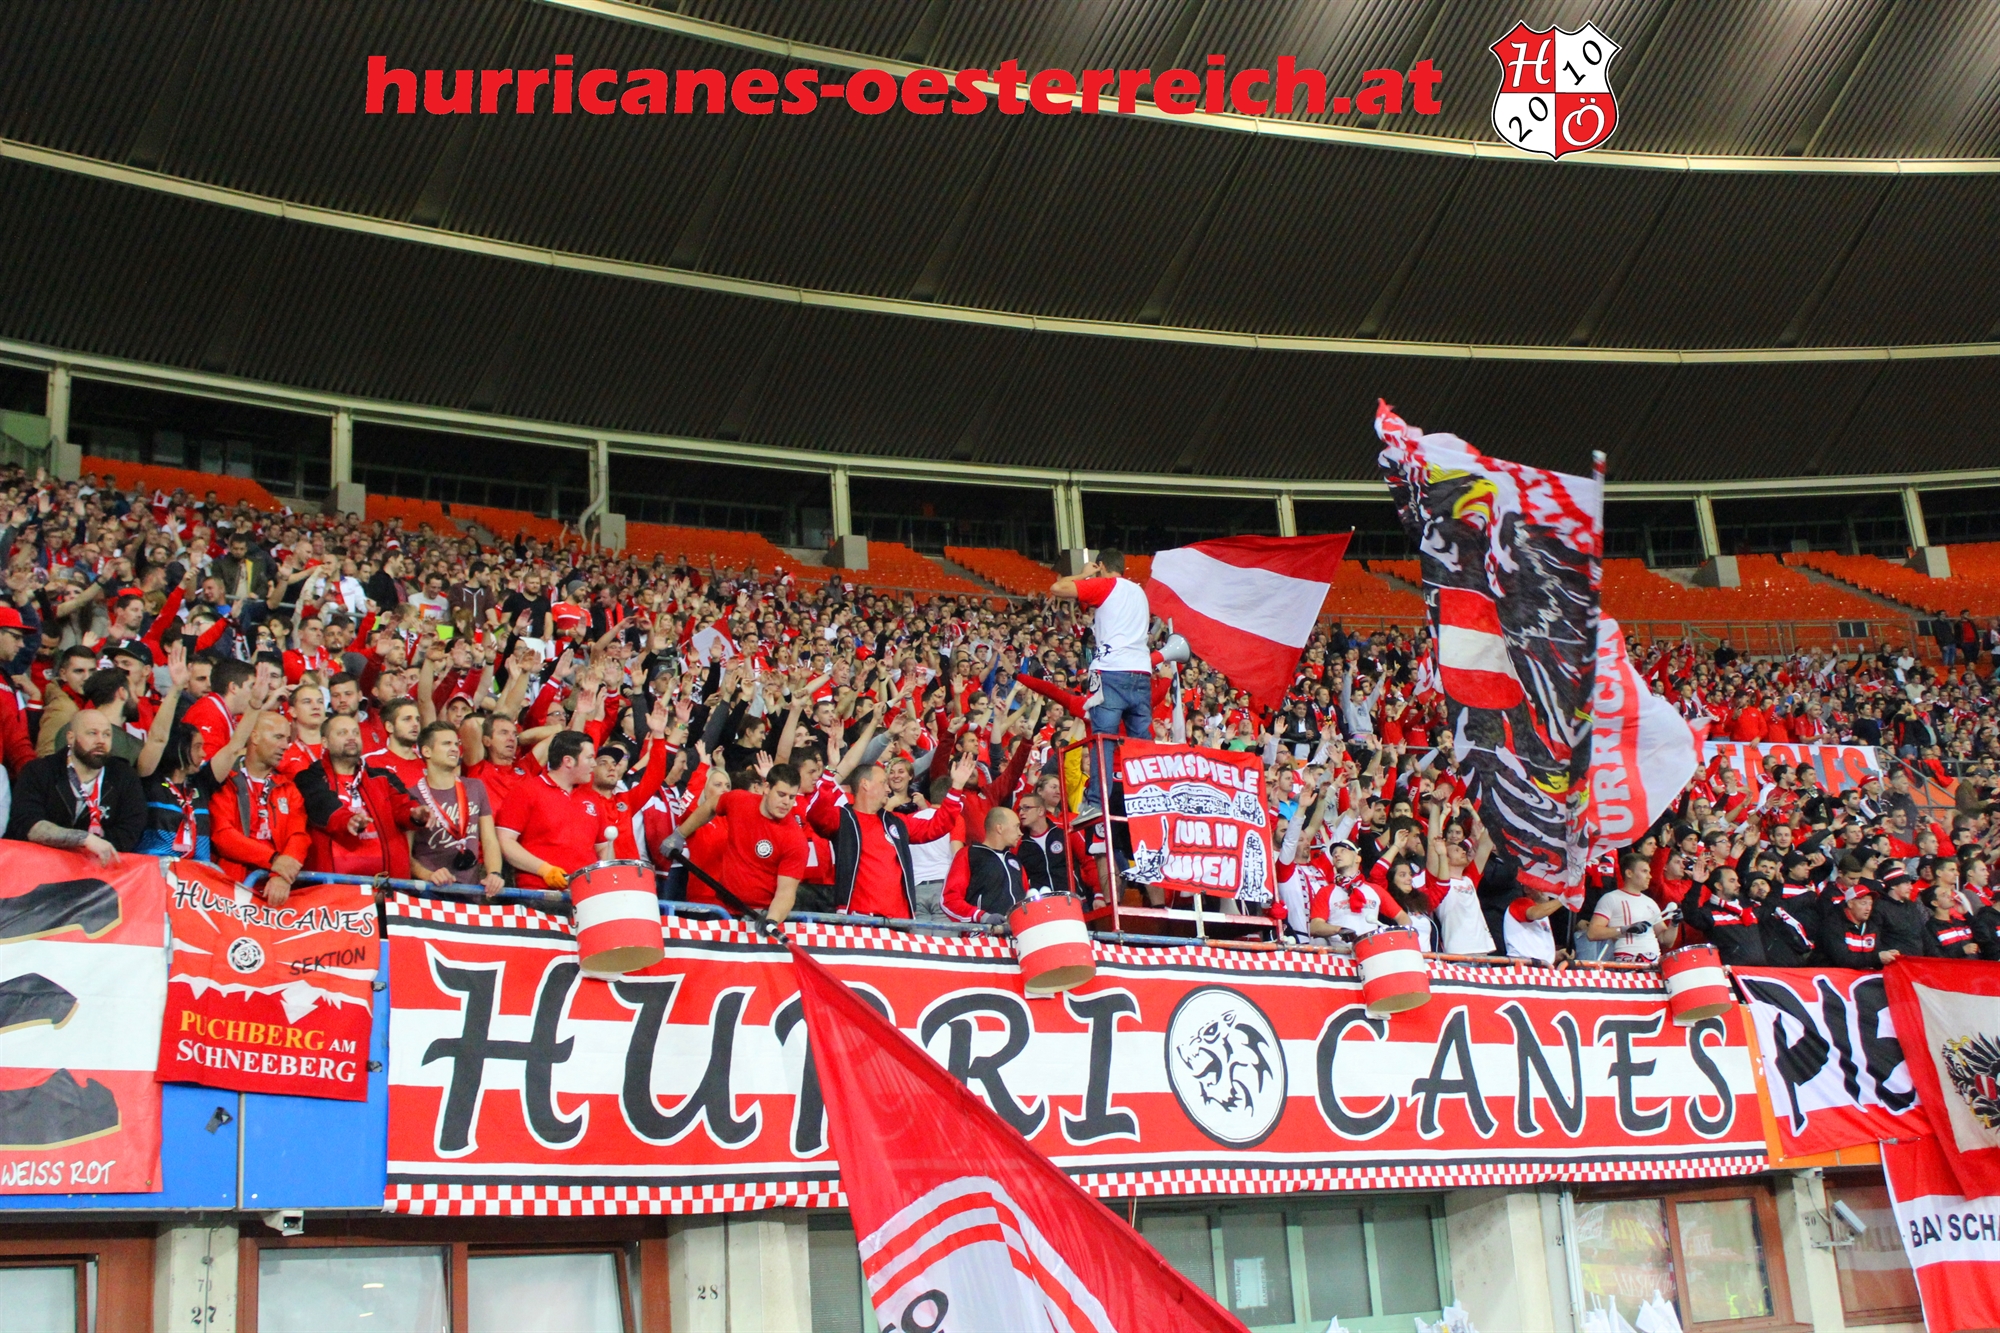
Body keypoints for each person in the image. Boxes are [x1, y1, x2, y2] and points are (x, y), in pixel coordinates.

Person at [813, 756, 972, 918]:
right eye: (883, 782)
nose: (888, 789)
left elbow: (938, 825)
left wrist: (957, 787)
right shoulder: (844, 819)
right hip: (858, 918)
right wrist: (829, 771)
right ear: (865, 784)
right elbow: (816, 814)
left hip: (899, 922)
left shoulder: (895, 822)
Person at [7, 709, 147, 863]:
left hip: (98, 867)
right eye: (92, 733)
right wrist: (83, 840)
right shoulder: (38, 771)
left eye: (107, 734)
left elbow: (130, 830)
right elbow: (28, 825)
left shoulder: (125, 776)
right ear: (71, 738)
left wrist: (85, 855)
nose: (101, 740)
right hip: (38, 864)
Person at [296, 713, 417, 880]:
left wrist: (415, 813)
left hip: (386, 886)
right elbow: (322, 805)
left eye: (355, 732)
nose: (351, 737)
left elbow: (404, 806)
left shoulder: (383, 777)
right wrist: (348, 820)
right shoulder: (309, 778)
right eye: (342, 733)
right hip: (332, 888)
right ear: (325, 742)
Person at [208, 711, 311, 903]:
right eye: (278, 737)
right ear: (254, 737)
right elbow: (223, 835)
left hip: (276, 892)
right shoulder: (226, 780)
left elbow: (299, 836)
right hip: (230, 891)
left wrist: (282, 874)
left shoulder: (288, 788)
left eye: (287, 739)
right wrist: (273, 860)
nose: (285, 745)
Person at [496, 730, 612, 889]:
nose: (594, 764)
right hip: (538, 892)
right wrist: (544, 870)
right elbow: (505, 842)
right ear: (568, 761)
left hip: (585, 893)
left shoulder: (592, 798)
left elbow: (604, 847)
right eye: (589, 757)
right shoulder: (526, 791)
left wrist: (604, 881)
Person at [405, 721, 506, 895]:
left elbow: (489, 839)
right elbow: (404, 854)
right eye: (446, 744)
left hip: (472, 890)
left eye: (456, 743)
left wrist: (494, 873)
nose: (454, 749)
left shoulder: (476, 787)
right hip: (430, 892)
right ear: (426, 751)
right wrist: (429, 875)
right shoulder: (411, 796)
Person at [1584, 851, 1678, 963]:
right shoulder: (1611, 898)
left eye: (1649, 872)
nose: (1650, 876)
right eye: (1644, 871)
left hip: (1654, 961)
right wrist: (1625, 929)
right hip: (1627, 961)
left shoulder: (1650, 902)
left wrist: (1674, 924)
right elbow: (1592, 933)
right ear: (1629, 873)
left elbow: (1665, 940)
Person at [942, 806, 1029, 923]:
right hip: (982, 932)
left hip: (1018, 932)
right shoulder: (969, 854)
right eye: (1016, 826)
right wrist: (982, 917)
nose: (1020, 833)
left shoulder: (1015, 860)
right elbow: (949, 900)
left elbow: (1026, 898)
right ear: (1000, 828)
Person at [1816, 884, 1897, 970]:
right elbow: (1842, 959)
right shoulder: (1832, 924)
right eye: (1863, 903)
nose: (1868, 908)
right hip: (1829, 974)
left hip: (1860, 975)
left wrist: (1887, 956)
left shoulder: (1872, 926)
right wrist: (1877, 958)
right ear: (1850, 904)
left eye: (1870, 904)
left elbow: (1876, 952)